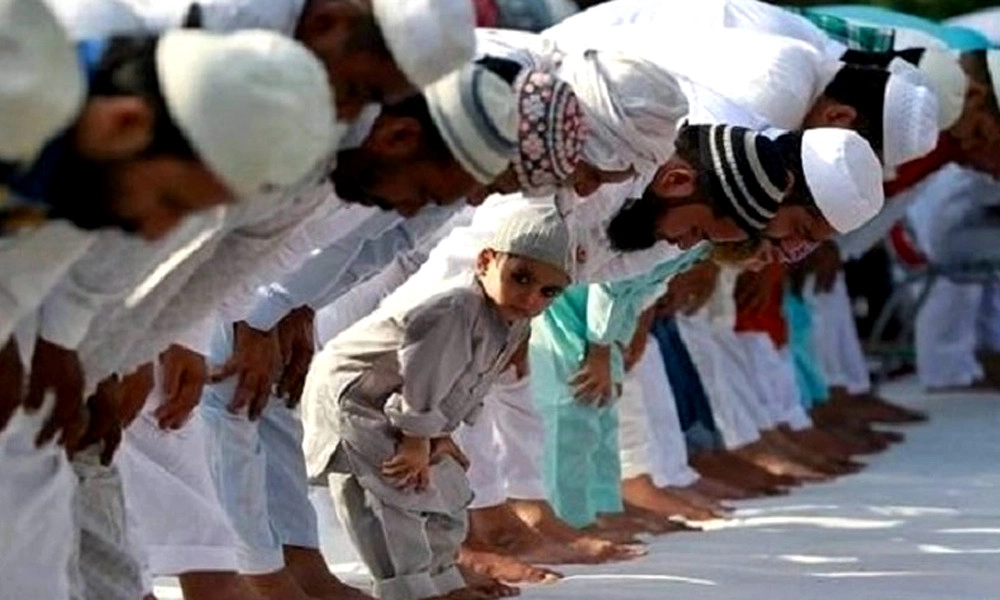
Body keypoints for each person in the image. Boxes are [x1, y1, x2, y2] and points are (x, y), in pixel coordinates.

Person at [301, 204, 572, 600]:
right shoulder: (455, 307)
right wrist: (416, 439)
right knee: (395, 492)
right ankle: (408, 590)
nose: (531, 297)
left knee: (446, 487)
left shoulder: (513, 320)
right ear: (485, 261)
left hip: (407, 408)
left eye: (548, 292)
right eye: (521, 277)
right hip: (356, 395)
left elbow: (468, 383)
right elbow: (422, 374)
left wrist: (439, 436)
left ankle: (442, 578)